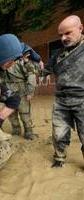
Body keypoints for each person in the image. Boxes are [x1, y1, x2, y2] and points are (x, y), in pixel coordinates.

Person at [42, 15, 84, 167]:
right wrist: (43, 73)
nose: (63, 38)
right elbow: (46, 68)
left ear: (80, 28)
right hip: (61, 101)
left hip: (82, 100)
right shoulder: (57, 55)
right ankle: (59, 158)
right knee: (58, 133)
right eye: (60, 35)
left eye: (68, 33)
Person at [0, 51, 40, 140]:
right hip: (8, 92)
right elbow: (0, 79)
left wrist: (30, 92)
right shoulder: (1, 64)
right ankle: (16, 130)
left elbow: (31, 76)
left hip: (22, 91)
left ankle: (28, 131)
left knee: (25, 112)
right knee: (11, 114)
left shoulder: (21, 61)